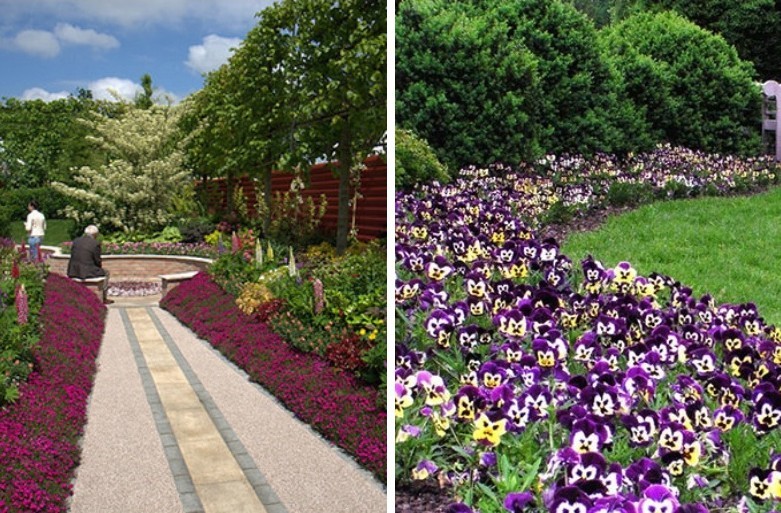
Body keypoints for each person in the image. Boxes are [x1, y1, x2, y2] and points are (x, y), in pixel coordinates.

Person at [67, 225, 112, 304]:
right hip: (87, 271)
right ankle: (104, 297)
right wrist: (99, 268)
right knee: (106, 272)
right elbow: (97, 260)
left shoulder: (76, 241)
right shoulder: (95, 244)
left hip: (73, 270)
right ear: (95, 234)